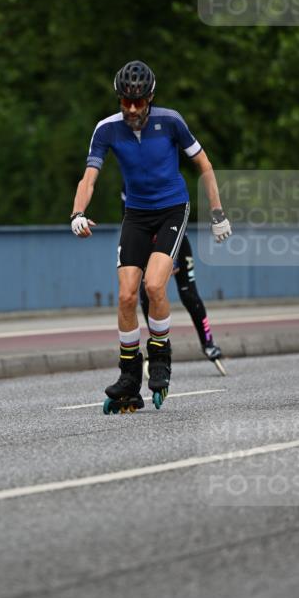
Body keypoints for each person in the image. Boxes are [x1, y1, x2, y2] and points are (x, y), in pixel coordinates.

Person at [70, 60, 231, 411]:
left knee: (154, 286)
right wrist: (77, 213)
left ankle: (160, 358)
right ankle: (129, 374)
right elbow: (89, 177)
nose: (131, 109)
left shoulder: (171, 122)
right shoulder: (107, 129)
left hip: (173, 208)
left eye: (138, 102)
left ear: (150, 98)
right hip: (137, 214)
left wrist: (217, 213)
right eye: (124, 102)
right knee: (127, 295)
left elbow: (203, 164)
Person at [119, 189, 225, 371]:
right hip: (148, 242)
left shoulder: (162, 169)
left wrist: (173, 258)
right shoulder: (128, 181)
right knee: (147, 292)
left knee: (189, 294)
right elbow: (129, 220)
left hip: (176, 239)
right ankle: (158, 347)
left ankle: (208, 342)